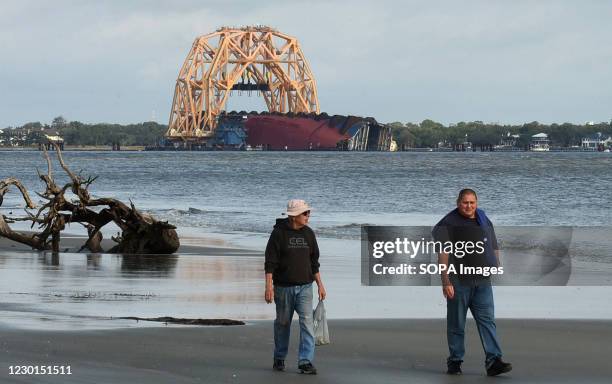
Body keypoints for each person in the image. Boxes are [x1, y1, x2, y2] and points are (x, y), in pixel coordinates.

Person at [432, 189, 512, 376]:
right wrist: (445, 281)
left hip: (482, 280)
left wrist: (496, 264)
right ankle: (455, 361)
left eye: (472, 202)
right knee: (456, 323)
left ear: (477, 202)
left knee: (487, 321)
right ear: (458, 202)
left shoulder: (483, 218)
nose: (469, 206)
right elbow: (443, 255)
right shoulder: (449, 223)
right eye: (465, 202)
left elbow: (492, 243)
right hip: (458, 281)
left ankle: (494, 361)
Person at [264, 199, 326, 375]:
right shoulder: (278, 234)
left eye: (308, 213)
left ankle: (305, 361)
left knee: (307, 323)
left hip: (306, 287)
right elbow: (270, 263)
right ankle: (279, 357)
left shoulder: (309, 234)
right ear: (294, 215)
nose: (308, 216)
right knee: (283, 323)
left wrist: (320, 285)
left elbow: (314, 263)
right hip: (283, 288)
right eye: (305, 213)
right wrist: (269, 287)